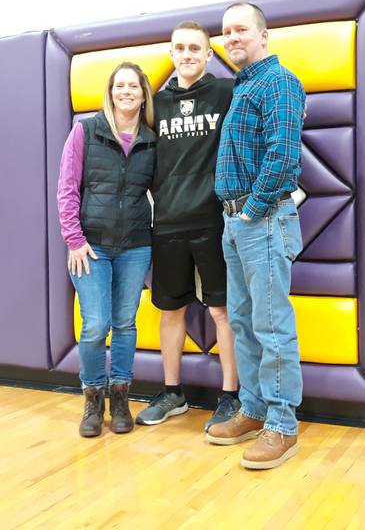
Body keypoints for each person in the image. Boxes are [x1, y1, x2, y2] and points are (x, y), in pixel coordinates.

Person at [206, 2, 306, 470]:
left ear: (264, 36)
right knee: (243, 322)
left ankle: (283, 425)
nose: (232, 38)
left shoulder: (279, 83)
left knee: (270, 326)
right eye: (226, 32)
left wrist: (249, 211)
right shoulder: (244, 86)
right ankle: (254, 408)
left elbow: (282, 155)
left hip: (260, 220)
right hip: (237, 222)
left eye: (241, 29)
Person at [135, 21, 240, 430]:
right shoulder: (155, 105)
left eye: (196, 48)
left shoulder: (225, 93)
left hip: (214, 220)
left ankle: (230, 395)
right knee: (169, 308)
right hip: (167, 222)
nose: (188, 54)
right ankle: (172, 392)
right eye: (181, 48)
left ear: (209, 54)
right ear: (171, 53)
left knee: (222, 310)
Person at [57, 61, 156, 438]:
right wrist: (74, 240)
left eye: (134, 86)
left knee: (126, 324)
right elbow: (67, 189)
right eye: (120, 86)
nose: (126, 92)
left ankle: (121, 397)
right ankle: (93, 397)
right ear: (110, 92)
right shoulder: (85, 131)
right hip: (90, 248)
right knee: (96, 325)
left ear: (143, 93)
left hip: (135, 246)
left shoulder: (150, 140)